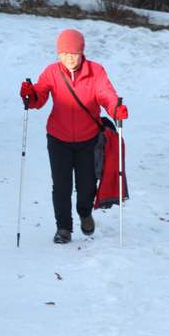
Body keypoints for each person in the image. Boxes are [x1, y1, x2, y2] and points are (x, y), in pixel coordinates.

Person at [19, 28, 128, 244]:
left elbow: (106, 94)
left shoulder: (95, 72)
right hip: (58, 139)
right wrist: (30, 95)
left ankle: (85, 212)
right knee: (61, 185)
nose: (70, 58)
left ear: (82, 52)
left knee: (87, 185)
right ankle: (63, 228)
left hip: (89, 140)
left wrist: (115, 108)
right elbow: (39, 97)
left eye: (74, 53)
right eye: (65, 53)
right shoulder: (51, 72)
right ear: (59, 54)